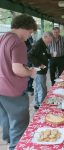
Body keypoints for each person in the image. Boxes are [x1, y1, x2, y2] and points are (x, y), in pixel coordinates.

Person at [0, 14, 37, 150]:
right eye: (30, 32)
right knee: (19, 125)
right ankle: (16, 147)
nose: (29, 35)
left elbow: (6, 63)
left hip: (1, 89)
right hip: (13, 91)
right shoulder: (18, 42)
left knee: (7, 121)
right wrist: (31, 72)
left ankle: (9, 141)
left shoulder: (3, 38)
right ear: (24, 28)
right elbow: (17, 70)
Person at [29, 32, 53, 109]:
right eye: (49, 40)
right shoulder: (38, 44)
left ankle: (37, 103)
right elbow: (29, 55)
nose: (50, 42)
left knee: (38, 87)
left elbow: (43, 54)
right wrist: (39, 64)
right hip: (38, 70)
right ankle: (42, 106)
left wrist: (50, 56)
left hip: (41, 70)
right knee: (42, 88)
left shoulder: (43, 44)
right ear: (45, 37)